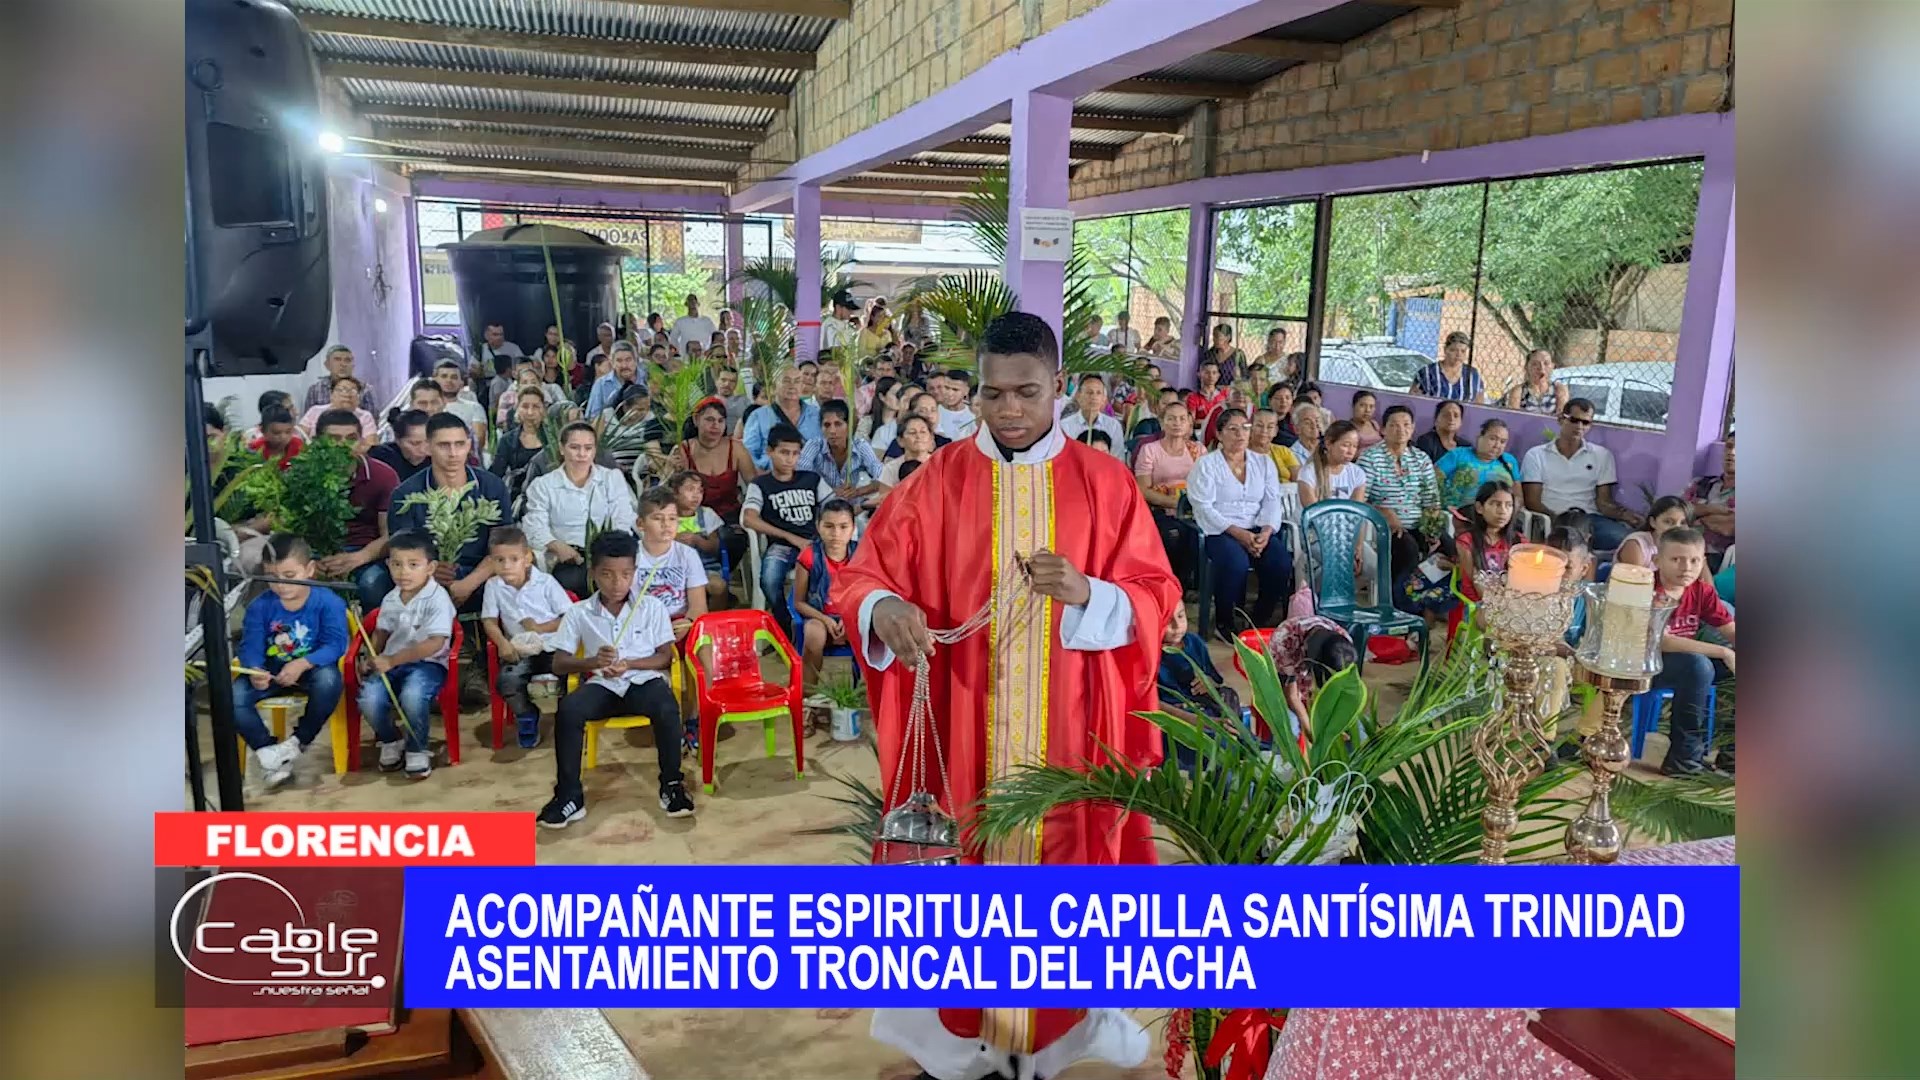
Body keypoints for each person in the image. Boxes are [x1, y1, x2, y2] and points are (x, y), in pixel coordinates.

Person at [839, 312, 1176, 1080]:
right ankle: (965, 1047)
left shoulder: (1104, 482)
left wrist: (1091, 593)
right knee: (962, 877)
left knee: (1069, 875)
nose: (1011, 410)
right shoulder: (936, 482)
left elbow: (1155, 593)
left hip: (1072, 731)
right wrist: (882, 609)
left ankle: (1051, 1043)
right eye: (993, 394)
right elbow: (863, 576)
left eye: (1028, 392)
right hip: (966, 726)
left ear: (1061, 386)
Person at [541, 530, 694, 827]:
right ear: (593, 573)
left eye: (626, 574)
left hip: (643, 681)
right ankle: (569, 795)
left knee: (666, 705)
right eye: (607, 574)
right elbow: (559, 663)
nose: (617, 583)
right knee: (569, 709)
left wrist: (631, 663)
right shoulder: (579, 613)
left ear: (635, 572)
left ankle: (672, 784)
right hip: (603, 686)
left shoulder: (652, 607)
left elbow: (665, 656)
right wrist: (592, 662)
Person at [233, 534, 349, 787]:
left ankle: (296, 743)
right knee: (233, 698)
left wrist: (302, 663)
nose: (281, 585)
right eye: (272, 577)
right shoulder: (259, 606)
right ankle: (268, 753)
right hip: (272, 671)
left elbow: (336, 644)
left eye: (289, 576)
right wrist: (255, 669)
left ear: (310, 569)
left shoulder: (329, 602)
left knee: (329, 681)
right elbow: (250, 645)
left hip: (312, 668)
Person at [357, 529, 455, 779]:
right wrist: (370, 657)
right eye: (397, 564)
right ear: (388, 565)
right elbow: (381, 632)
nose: (404, 572)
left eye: (413, 565)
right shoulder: (391, 598)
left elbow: (435, 643)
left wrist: (392, 660)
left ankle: (417, 748)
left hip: (428, 664)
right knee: (368, 698)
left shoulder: (438, 598)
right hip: (391, 664)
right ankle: (391, 740)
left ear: (430, 567)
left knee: (412, 695)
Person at [387, 414, 512, 609]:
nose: (453, 453)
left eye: (459, 444)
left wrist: (468, 583)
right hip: (426, 573)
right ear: (428, 447)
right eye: (444, 445)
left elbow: (505, 544)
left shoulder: (492, 486)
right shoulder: (406, 493)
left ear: (469, 445)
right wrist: (429, 569)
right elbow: (402, 549)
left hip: (483, 570)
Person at [1188, 408, 1292, 637]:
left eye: (1244, 428)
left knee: (1280, 563)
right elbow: (1203, 507)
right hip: (1220, 530)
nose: (1240, 434)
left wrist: (1266, 532)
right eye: (1232, 429)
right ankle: (1225, 621)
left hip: (1257, 528)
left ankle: (1259, 618)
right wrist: (1240, 534)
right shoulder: (1206, 465)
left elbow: (1272, 501)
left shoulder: (1263, 463)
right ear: (1219, 434)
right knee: (1235, 563)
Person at [1650, 526, 1735, 776]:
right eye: (1676, 559)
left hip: (1686, 664)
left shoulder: (1701, 591)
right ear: (1657, 560)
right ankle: (1683, 758)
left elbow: (1729, 629)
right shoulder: (1648, 588)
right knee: (1698, 666)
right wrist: (1723, 652)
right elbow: (1661, 642)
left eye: (1694, 560)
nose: (1686, 567)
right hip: (1647, 664)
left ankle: (1732, 753)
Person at [520, 421, 637, 598]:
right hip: (567, 557)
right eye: (574, 447)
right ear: (562, 449)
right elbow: (534, 526)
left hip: (609, 553)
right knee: (572, 582)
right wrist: (556, 545)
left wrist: (607, 550)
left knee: (619, 583)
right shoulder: (543, 485)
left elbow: (623, 518)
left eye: (588, 448)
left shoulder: (611, 478)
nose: (582, 454)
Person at [480, 526, 573, 749]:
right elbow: (489, 620)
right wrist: (502, 643)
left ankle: (567, 718)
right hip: (520, 649)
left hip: (552, 646)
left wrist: (541, 627)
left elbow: (570, 617)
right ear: (491, 562)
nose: (506, 566)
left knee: (571, 676)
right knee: (507, 682)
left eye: (513, 559)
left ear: (527, 558)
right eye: (499, 560)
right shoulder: (493, 586)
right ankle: (527, 716)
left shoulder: (546, 583)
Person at [305, 411, 402, 612]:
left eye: (351, 439)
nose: (343, 446)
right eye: (334, 439)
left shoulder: (383, 475)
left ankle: (371, 630)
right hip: (315, 552)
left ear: (361, 441)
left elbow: (391, 535)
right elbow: (290, 529)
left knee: (371, 584)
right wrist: (309, 559)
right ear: (317, 442)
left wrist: (357, 558)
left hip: (366, 552)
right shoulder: (303, 475)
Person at [743, 424, 835, 630]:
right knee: (769, 580)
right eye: (784, 452)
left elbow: (834, 507)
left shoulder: (811, 479)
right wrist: (789, 537)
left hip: (814, 543)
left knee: (834, 574)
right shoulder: (760, 485)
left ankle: (820, 623)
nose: (790, 459)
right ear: (770, 451)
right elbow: (749, 519)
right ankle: (784, 624)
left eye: (795, 453)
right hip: (781, 546)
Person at [1520, 397, 1641, 551]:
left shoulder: (1602, 455)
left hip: (1589, 518)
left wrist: (1626, 515)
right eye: (1574, 420)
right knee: (1569, 542)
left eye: (1585, 422)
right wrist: (1559, 520)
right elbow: (1532, 501)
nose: (1579, 426)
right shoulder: (1536, 455)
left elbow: (1604, 502)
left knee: (1627, 540)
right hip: (1553, 517)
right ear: (1561, 419)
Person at [1408, 479, 1519, 617]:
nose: (1502, 511)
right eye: (1495, 504)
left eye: (1509, 505)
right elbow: (1476, 580)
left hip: (1509, 601)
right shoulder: (1467, 541)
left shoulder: (1518, 541)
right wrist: (1498, 606)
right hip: (1478, 604)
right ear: (1479, 508)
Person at [1359, 405, 1442, 580]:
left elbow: (1432, 500)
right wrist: (1385, 512)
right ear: (1383, 430)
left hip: (1419, 524)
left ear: (1413, 429)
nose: (1401, 430)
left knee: (1449, 548)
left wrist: (1431, 527)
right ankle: (1395, 594)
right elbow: (1360, 502)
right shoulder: (1370, 458)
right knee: (1408, 549)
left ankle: (1429, 594)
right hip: (1385, 527)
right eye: (1394, 425)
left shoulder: (1421, 459)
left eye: (1406, 424)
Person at [632, 485, 711, 662]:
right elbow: (627, 604)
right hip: (643, 625)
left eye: (672, 518)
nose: (666, 524)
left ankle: (706, 681)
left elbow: (699, 605)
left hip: (679, 623)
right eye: (657, 518)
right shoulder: (631, 556)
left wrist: (687, 622)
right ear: (640, 524)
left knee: (705, 643)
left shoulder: (687, 555)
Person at [1153, 604, 1237, 769]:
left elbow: (1216, 681)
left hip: (1202, 707)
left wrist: (1208, 684)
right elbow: (1151, 704)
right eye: (1167, 620)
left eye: (1181, 616)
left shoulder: (1194, 642)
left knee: (1230, 702)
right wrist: (1196, 721)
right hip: (1174, 719)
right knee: (1220, 746)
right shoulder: (1149, 654)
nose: (1177, 626)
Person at [1134, 400, 1205, 585]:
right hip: (1160, 509)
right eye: (1171, 419)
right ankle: (1170, 584)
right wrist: (1177, 503)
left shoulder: (1198, 450)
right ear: (1162, 422)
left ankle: (1191, 585)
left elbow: (1207, 485)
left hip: (1195, 510)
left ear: (1189, 423)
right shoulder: (1149, 450)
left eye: (1182, 419)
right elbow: (1143, 490)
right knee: (1173, 535)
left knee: (1200, 535)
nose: (1177, 423)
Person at [792, 498, 859, 687]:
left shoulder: (861, 554)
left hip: (853, 616)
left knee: (869, 633)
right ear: (818, 526)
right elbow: (799, 602)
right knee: (814, 635)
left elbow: (866, 595)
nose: (836, 534)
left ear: (853, 528)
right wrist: (825, 619)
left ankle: (863, 693)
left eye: (843, 527)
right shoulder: (809, 556)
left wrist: (849, 618)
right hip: (819, 616)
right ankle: (809, 693)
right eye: (829, 526)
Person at [1263, 615, 1358, 738]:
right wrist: (1311, 732)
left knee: (1358, 731)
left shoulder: (1343, 642)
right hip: (1286, 692)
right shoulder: (1285, 643)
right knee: (1290, 728)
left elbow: (1340, 692)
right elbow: (1291, 697)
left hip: (1315, 696)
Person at [672, 398, 757, 526]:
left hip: (731, 519)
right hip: (695, 520)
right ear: (696, 419)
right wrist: (673, 472)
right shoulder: (682, 450)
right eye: (710, 420)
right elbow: (666, 493)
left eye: (720, 421)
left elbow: (754, 486)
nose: (715, 425)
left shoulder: (736, 448)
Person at [799, 399, 884, 507]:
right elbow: (800, 475)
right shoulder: (814, 445)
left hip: (855, 508)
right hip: (822, 508)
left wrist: (858, 491)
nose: (832, 431)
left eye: (838, 424)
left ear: (848, 426)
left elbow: (882, 477)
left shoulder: (860, 446)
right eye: (827, 425)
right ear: (821, 428)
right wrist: (830, 492)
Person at [667, 469, 732, 610]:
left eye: (700, 491)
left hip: (704, 567)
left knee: (719, 586)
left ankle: (713, 617)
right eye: (690, 489)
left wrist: (698, 540)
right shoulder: (666, 516)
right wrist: (673, 540)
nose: (696, 495)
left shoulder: (707, 514)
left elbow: (715, 547)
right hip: (672, 568)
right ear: (675, 493)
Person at [742, 367, 824, 470]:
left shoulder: (817, 414)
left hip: (810, 477)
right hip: (772, 476)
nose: (792, 386)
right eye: (786, 381)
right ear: (774, 387)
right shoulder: (758, 416)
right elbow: (747, 455)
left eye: (797, 381)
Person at [1436, 418, 1521, 508]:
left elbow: (1518, 497)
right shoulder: (1457, 455)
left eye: (1502, 442)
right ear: (1479, 437)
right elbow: (1432, 481)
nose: (1497, 445)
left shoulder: (1509, 461)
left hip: (1498, 513)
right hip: (1458, 512)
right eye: (1492, 439)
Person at [492, 386, 550, 495]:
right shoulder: (507, 440)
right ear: (518, 409)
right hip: (518, 497)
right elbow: (496, 473)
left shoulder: (554, 439)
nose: (530, 412)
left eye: (536, 407)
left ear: (543, 409)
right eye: (525, 406)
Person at [1687, 431, 1735, 561]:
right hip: (1684, 549)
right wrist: (1712, 509)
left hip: (1719, 558)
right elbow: (1678, 511)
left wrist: (1699, 518)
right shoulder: (1701, 483)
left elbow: (1730, 527)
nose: (1732, 452)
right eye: (1729, 447)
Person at [1298, 419, 1368, 507]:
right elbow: (1312, 511)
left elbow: (1356, 509)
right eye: (1345, 445)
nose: (1351, 451)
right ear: (1328, 444)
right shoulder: (1308, 472)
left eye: (1355, 446)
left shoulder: (1357, 473)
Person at [433, 360, 491, 459]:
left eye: (454, 377)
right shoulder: (428, 407)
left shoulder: (474, 408)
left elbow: (478, 440)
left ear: (462, 383)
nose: (449, 380)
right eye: (444, 376)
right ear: (435, 380)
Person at [1059, 374, 1125, 457]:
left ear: (1104, 399)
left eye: (1098, 393)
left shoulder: (1114, 426)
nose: (1094, 397)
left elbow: (1118, 459)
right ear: (1078, 396)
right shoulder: (1065, 426)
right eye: (1089, 392)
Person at [1617, 495, 1692, 568]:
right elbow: (1634, 576)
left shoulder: (1687, 548)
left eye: (1683, 523)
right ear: (1653, 522)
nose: (1676, 528)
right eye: (1668, 522)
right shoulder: (1636, 545)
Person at [1413, 330, 1486, 402]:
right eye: (1454, 350)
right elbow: (1413, 399)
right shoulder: (1428, 372)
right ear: (1445, 350)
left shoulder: (1472, 374)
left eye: (1463, 351)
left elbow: (1479, 402)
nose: (1459, 354)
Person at [877, 414, 937, 495]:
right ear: (900, 441)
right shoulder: (890, 469)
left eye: (923, 432)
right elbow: (885, 500)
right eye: (912, 432)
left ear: (931, 438)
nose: (918, 436)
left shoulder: (940, 466)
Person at [369, 408, 431, 484]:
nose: (423, 450)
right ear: (398, 439)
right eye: (415, 443)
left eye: (428, 442)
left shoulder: (436, 457)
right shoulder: (381, 458)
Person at [584, 341, 642, 419]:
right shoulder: (601, 384)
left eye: (628, 360)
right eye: (619, 361)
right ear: (612, 362)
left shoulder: (648, 378)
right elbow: (592, 417)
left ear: (636, 360)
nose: (624, 365)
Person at [1504, 348, 1568, 415]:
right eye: (1535, 364)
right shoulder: (1519, 391)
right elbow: (1513, 417)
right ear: (1526, 367)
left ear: (1552, 366)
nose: (1541, 368)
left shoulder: (1559, 389)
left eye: (1546, 363)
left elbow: (1562, 417)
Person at [1250, 407, 1300, 483]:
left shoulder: (1283, 451)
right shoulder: (1241, 453)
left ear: (1275, 431)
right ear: (1251, 427)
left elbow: (1299, 480)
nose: (1264, 431)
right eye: (1259, 425)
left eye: (1270, 427)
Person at [249, 405, 304, 469]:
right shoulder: (256, 448)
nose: (283, 437)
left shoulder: (298, 446)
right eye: (276, 433)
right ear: (263, 431)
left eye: (288, 432)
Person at [302, 345, 356, 410]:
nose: (343, 364)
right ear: (327, 364)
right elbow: (309, 415)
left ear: (353, 366)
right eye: (337, 359)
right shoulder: (315, 390)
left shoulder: (363, 390)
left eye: (347, 360)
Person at [1413, 398, 1466, 463]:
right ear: (1436, 420)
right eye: (1446, 415)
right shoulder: (1425, 441)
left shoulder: (1465, 446)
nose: (1451, 419)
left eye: (1456, 415)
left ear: (1461, 422)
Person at [932, 368, 979, 440]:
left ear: (966, 391)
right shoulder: (933, 412)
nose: (950, 393)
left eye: (955, 390)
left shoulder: (975, 414)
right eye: (947, 388)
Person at [860, 375, 904, 447]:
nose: (899, 398)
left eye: (901, 394)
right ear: (882, 396)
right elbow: (859, 447)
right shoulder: (867, 422)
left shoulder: (903, 423)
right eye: (896, 394)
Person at [1186, 358, 1228, 427]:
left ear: (1218, 375)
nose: (1211, 376)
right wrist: (1216, 422)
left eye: (1214, 373)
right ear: (1199, 374)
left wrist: (1203, 421)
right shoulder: (1193, 397)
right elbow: (1192, 421)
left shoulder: (1225, 395)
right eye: (1207, 372)